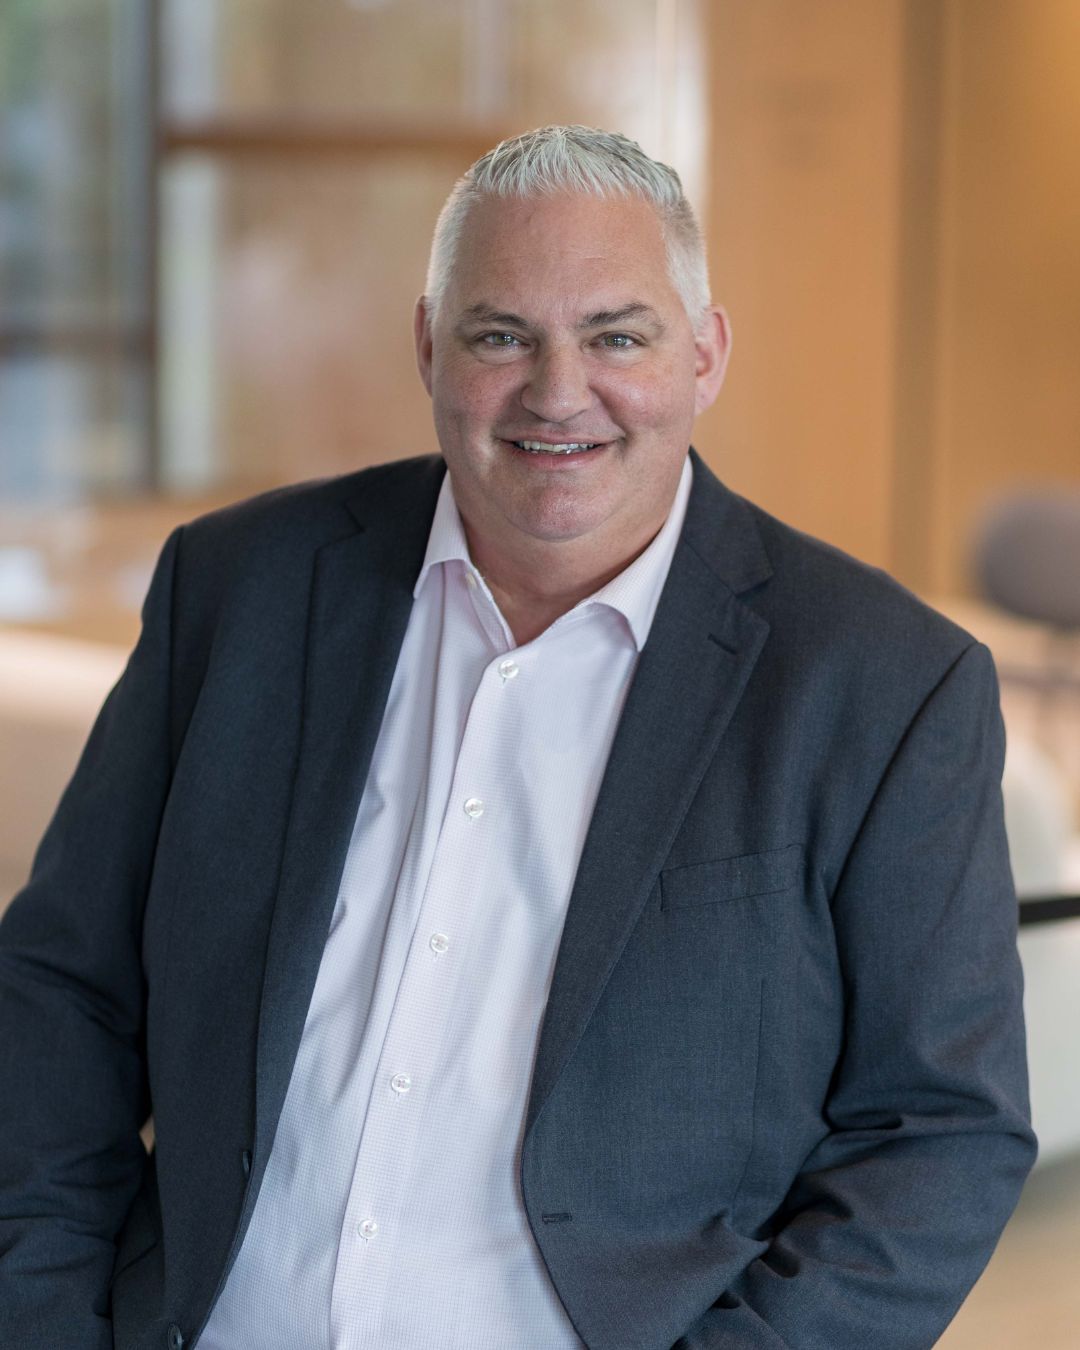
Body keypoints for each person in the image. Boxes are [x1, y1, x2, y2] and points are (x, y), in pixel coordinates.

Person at [0, 126, 1035, 1350]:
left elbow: (940, 1132)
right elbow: (59, 992)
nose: (558, 392)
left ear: (705, 355)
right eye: (502, 336)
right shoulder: (239, 592)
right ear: (428, 346)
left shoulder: (881, 685)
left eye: (617, 337)